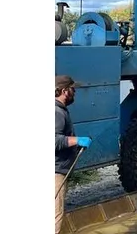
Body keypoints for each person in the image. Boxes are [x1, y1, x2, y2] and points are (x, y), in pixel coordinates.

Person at [55, 75, 92, 234]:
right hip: (55, 172)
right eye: (73, 89)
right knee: (55, 215)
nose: (74, 93)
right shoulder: (56, 112)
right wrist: (77, 140)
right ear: (64, 91)